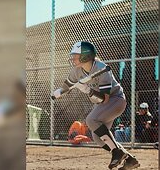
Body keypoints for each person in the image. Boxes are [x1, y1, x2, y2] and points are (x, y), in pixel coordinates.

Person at [52, 41, 140, 169]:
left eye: (76, 55)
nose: (73, 58)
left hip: (115, 100)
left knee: (91, 120)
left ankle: (117, 152)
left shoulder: (101, 68)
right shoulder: (76, 71)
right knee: (97, 137)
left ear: (85, 56)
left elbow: (104, 99)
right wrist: (59, 92)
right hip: (101, 105)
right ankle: (130, 160)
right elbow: (67, 86)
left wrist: (87, 90)